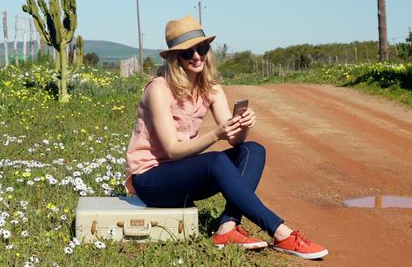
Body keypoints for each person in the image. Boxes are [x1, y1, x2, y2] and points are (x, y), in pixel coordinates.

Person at [124, 15, 328, 260]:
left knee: (253, 150)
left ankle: (228, 226)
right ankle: (281, 232)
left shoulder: (211, 88)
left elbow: (235, 141)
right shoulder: (159, 89)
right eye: (188, 53)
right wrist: (216, 134)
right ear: (175, 58)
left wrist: (242, 126)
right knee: (214, 161)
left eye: (201, 48)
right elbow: (172, 150)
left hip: (183, 175)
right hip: (151, 180)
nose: (197, 56)